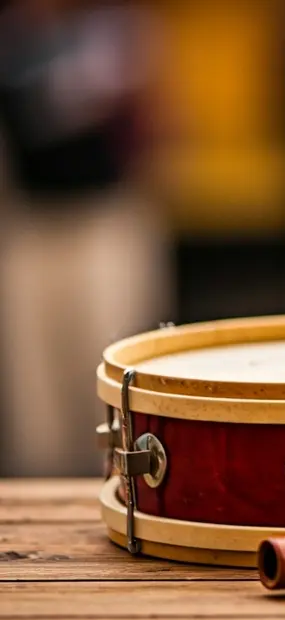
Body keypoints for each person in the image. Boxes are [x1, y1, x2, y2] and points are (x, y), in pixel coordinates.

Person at [0, 0, 169, 476]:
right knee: (35, 397)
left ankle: (117, 485)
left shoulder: (116, 27)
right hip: (30, 225)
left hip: (103, 220)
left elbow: (157, 125)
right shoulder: (12, 36)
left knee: (104, 372)